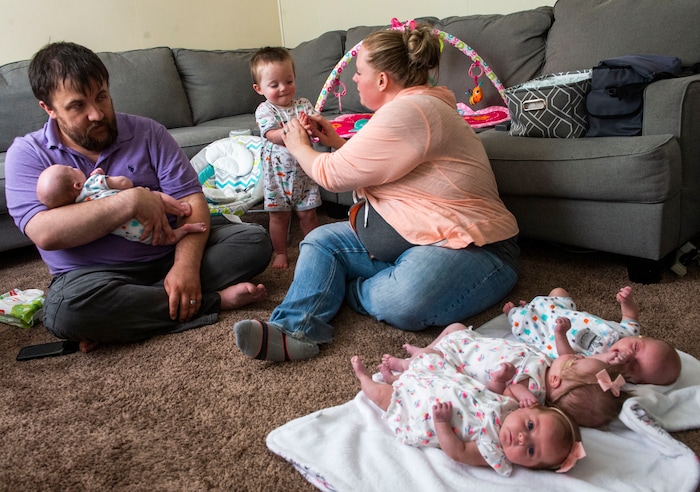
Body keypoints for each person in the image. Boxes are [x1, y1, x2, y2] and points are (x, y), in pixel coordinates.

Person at [234, 22, 520, 362]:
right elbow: (375, 171)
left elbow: (331, 175)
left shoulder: (412, 110)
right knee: (319, 241)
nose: (354, 79)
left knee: (404, 300)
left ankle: (350, 290)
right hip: (416, 233)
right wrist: (337, 143)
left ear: (382, 80)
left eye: (359, 72)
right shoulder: (405, 109)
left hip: (473, 245)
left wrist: (298, 145)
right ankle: (295, 330)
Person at [5, 41, 272, 353]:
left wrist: (185, 267)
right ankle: (213, 301)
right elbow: (45, 232)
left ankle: (126, 317)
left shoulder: (148, 132)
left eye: (102, 97)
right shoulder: (27, 154)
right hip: (94, 275)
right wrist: (130, 200)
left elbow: (192, 201)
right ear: (48, 108)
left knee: (254, 242)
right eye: (77, 106)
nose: (96, 114)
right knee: (65, 310)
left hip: (170, 252)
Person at [350, 355, 585, 476]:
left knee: (386, 397)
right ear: (528, 408)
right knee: (424, 369)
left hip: (424, 410)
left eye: (531, 451)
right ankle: (396, 377)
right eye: (531, 426)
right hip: (444, 385)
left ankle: (365, 380)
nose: (523, 438)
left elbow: (458, 452)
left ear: (529, 466)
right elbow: (496, 393)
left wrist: (441, 423)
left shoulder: (494, 452)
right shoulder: (510, 406)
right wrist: (502, 380)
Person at [379, 322, 630, 427]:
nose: (578, 355)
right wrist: (606, 359)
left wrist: (515, 388)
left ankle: (407, 365)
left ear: (557, 380)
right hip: (471, 344)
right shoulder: (550, 366)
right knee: (454, 329)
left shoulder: (534, 392)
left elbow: (506, 393)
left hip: (461, 361)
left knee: (432, 362)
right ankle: (424, 351)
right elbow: (585, 369)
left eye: (576, 359)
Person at [505, 286, 681, 385]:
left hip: (549, 333)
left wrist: (561, 334)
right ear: (639, 338)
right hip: (563, 312)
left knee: (519, 320)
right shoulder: (628, 333)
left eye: (634, 367)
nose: (627, 355)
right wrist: (627, 302)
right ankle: (534, 306)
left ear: (635, 381)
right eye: (635, 347)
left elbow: (567, 359)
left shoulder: (600, 370)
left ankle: (515, 312)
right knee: (559, 292)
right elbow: (630, 316)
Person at [250, 47, 321, 269]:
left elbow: (316, 129)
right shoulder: (265, 110)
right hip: (276, 179)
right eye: (274, 85)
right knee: (279, 217)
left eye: (288, 81)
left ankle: (315, 249)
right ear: (259, 88)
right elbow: (271, 134)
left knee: (308, 214)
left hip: (304, 174)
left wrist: (310, 125)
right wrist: (290, 131)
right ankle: (281, 252)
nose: (283, 88)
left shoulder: (304, 105)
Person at [36, 164, 207, 245]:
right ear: (78, 185)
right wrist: (104, 176)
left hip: (136, 233)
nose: (72, 166)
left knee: (163, 240)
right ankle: (180, 208)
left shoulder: (76, 209)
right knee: (154, 196)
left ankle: (184, 230)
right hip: (151, 210)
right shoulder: (93, 183)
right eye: (70, 169)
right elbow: (126, 184)